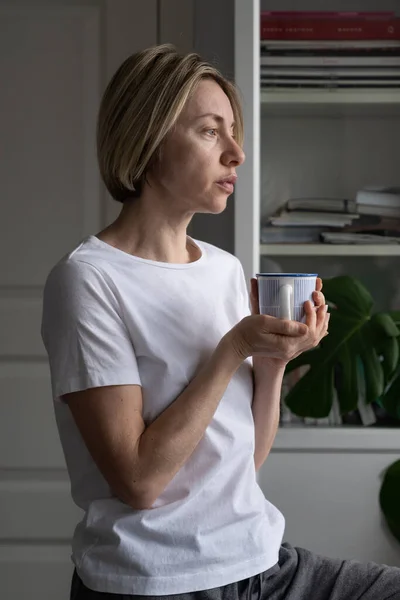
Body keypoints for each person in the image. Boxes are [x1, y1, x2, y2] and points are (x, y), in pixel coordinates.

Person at [41, 44, 400, 600]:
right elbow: (138, 482)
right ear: (149, 140)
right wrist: (233, 349)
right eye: (211, 131)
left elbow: (242, 463)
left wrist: (274, 363)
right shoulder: (88, 281)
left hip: (262, 562)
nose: (237, 152)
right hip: (158, 581)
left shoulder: (225, 269)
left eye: (233, 132)